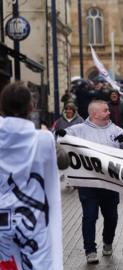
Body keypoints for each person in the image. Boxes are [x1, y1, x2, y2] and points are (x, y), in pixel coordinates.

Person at [61, 100, 123, 264]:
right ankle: (90, 250)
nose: (109, 113)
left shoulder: (114, 128)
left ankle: (107, 242)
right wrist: (59, 134)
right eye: (105, 110)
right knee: (89, 216)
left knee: (111, 217)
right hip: (88, 184)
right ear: (95, 114)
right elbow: (60, 136)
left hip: (110, 183)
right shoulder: (78, 130)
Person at [0, 82, 62, 269]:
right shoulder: (43, 139)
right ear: (31, 107)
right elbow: (64, 161)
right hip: (32, 219)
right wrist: (49, 136)